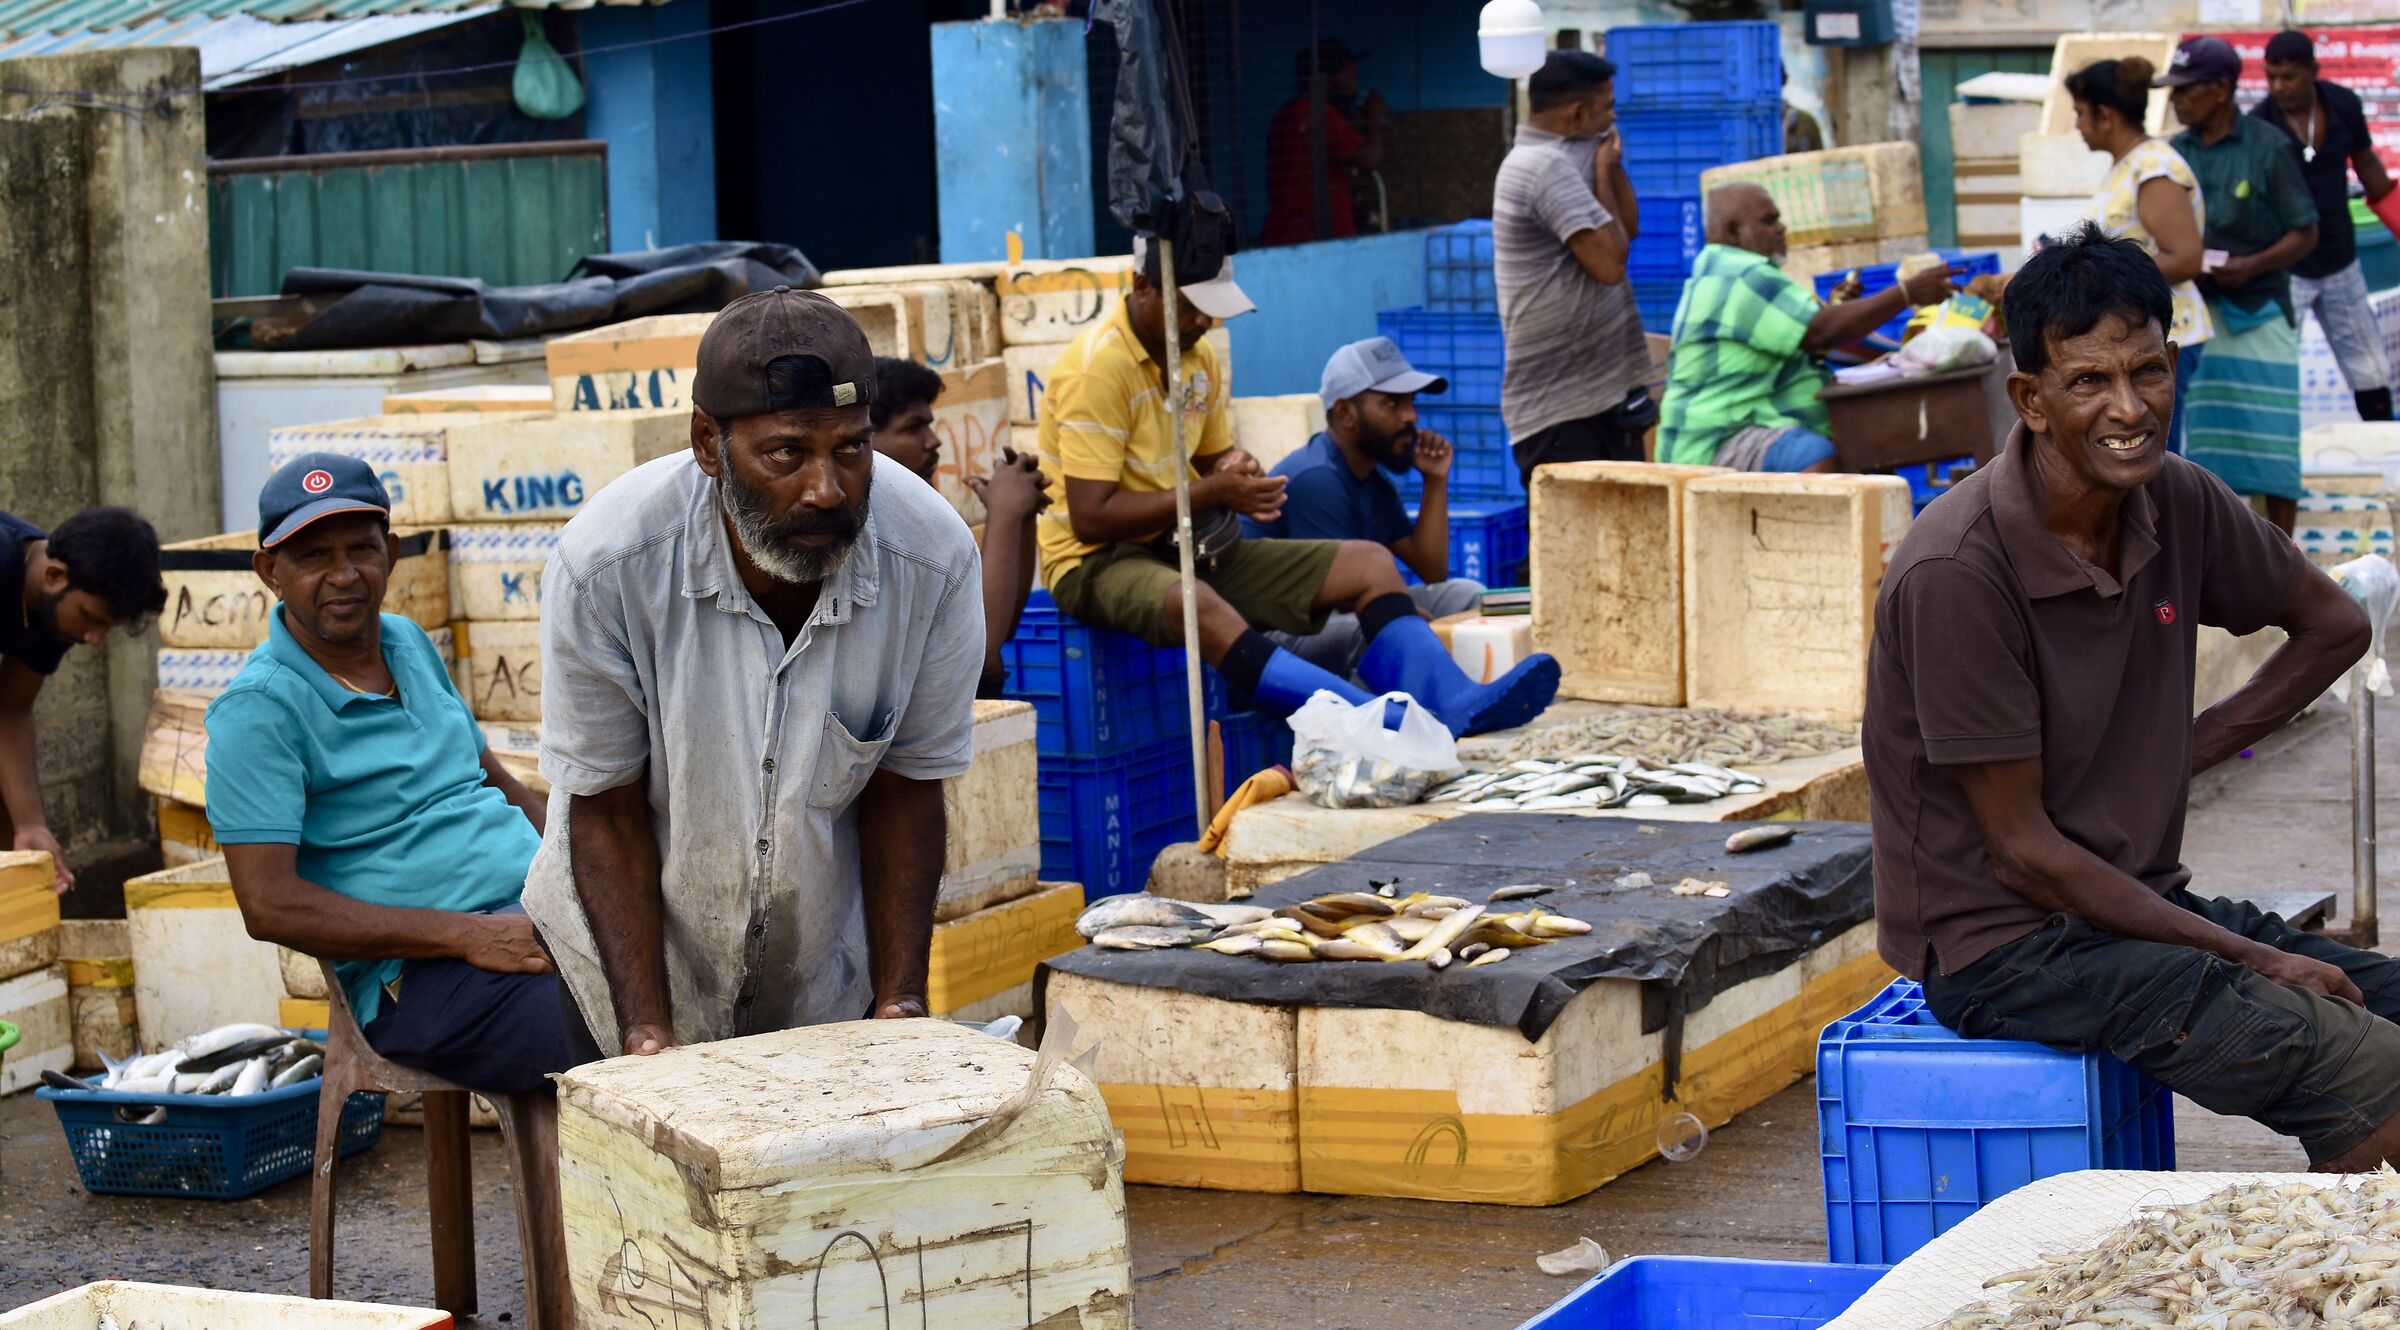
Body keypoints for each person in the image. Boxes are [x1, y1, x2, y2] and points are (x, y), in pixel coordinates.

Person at [1866, 222, 2400, 1171]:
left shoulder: (2178, 499)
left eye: (2149, 372)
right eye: (2089, 383)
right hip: (2003, 947)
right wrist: (2259, 958)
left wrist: (2192, 745)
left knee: (2382, 1004)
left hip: (2127, 903)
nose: (2130, 408)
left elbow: (2336, 627)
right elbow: (2026, 858)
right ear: (2029, 398)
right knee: (2373, 1074)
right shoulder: (1957, 570)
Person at [523, 287, 984, 1057]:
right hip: (633, 957)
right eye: (786, 454)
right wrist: (646, 1035)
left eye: (851, 448)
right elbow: (604, 809)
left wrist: (900, 1002)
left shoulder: (931, 560)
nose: (826, 489)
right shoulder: (605, 566)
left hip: (824, 973)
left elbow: (906, 786)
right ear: (708, 444)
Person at [1033, 237, 1558, 737]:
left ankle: (1452, 704)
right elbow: (1091, 517)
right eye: (1189, 306)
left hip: (1179, 541)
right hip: (1097, 560)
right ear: (1142, 285)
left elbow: (1214, 456)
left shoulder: (1199, 357)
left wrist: (1238, 469)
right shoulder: (1097, 369)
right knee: (1201, 605)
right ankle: (1372, 726)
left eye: (1210, 308)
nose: (1202, 321)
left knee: (1371, 563)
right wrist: (1216, 492)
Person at [204, 454, 567, 1095]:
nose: (343, 576)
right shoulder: (258, 709)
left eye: (360, 550)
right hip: (418, 975)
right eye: (313, 556)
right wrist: (466, 935)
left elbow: (492, 782)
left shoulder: (406, 641)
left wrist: (583, 865)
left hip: (532, 917)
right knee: (616, 1046)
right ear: (269, 572)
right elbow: (268, 905)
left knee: (713, 978)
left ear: (391, 554)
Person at [1655, 183, 1957, 469]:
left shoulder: (1725, 270)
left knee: (1866, 443)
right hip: (1717, 441)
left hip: (1738, 426)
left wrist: (1837, 310)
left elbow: (1812, 333)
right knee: (1817, 456)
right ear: (1734, 231)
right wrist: (1907, 293)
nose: (1781, 228)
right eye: (1769, 221)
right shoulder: (1743, 275)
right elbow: (1819, 332)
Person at [1243, 337, 1484, 680]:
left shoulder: (1371, 476)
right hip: (1272, 642)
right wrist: (1404, 615)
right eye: (1392, 403)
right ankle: (1402, 726)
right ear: (1345, 413)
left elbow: (1432, 569)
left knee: (1467, 596)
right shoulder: (1318, 478)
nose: (1410, 416)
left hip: (1336, 618)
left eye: (1411, 402)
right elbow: (1333, 601)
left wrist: (1435, 481)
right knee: (1379, 630)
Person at [2163, 34, 2319, 535]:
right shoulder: (2171, 154)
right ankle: (2220, 563)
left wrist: (2253, 266)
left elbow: (2306, 231)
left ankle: (2284, 561)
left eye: (2186, 89)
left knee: (2272, 447)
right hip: (2198, 318)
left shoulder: (2268, 147)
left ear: (2221, 89)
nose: (2175, 98)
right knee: (2208, 454)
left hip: (2259, 311)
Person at [1492, 50, 1654, 484]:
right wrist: (1601, 173)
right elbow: (1609, 263)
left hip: (1599, 397)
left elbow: (1629, 227)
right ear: (1578, 112)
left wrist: (1610, 168)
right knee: (1576, 543)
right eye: (1606, 107)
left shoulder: (1572, 150)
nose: (1614, 115)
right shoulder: (1541, 166)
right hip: (1561, 409)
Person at [0, 507, 163, 893]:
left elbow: (11, 707)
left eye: (107, 626)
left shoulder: (49, 606)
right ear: (55, 576)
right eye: (91, 617)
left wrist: (30, 825)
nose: (95, 638)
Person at [869, 356, 1050, 700]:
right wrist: (1005, 513)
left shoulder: (924, 514)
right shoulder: (868, 526)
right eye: (913, 428)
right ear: (865, 439)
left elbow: (1003, 623)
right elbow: (980, 645)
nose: (933, 441)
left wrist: (1022, 517)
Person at [2065, 56, 2213, 453]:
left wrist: (2098, 275)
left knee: (2155, 455)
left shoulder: (2153, 167)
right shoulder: (2126, 166)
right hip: (2132, 338)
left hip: (2165, 333)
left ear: (2106, 115)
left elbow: (2184, 257)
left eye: (2081, 114)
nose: (2077, 125)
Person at [2257, 29, 2396, 424]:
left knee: (2369, 367)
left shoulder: (2343, 104)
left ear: (2313, 71)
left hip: (2341, 259)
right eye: (2271, 77)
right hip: (2287, 268)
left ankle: (2384, 449)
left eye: (2289, 77)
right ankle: (2278, 455)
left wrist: (2396, 216)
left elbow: (2367, 163)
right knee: (2276, 366)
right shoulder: (2260, 125)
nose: (2279, 87)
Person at [1261, 39, 1386, 247]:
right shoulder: (1318, 114)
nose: (1354, 83)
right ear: (1328, 79)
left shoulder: (1289, 112)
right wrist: (1374, 118)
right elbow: (1369, 157)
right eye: (1348, 75)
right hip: (1314, 237)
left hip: (1291, 233)